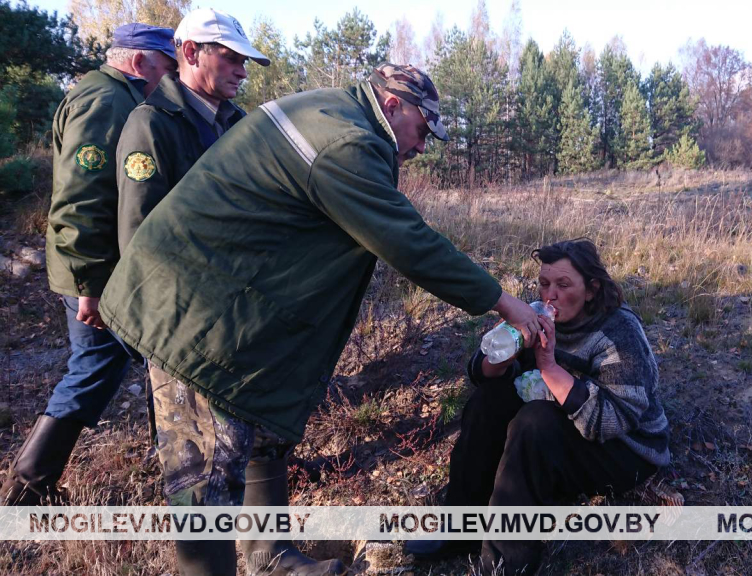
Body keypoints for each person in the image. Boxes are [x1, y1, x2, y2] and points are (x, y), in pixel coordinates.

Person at [97, 63, 542, 575]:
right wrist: (505, 301)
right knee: (206, 478)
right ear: (392, 105)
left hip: (231, 302)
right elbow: (407, 242)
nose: (423, 147)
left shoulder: (332, 110)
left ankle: (270, 555)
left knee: (259, 431)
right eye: (423, 131)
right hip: (196, 316)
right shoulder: (344, 142)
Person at [408, 239, 671, 575]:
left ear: (591, 290)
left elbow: (610, 421)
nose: (551, 295)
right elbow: (479, 373)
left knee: (535, 423)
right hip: (565, 430)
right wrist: (506, 352)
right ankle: (461, 527)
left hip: (627, 450)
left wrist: (548, 364)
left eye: (563, 285)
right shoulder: (537, 312)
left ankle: (506, 565)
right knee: (487, 401)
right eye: (544, 283)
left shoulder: (619, 331)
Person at [0, 24, 177, 507]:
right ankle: (28, 488)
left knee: (104, 364)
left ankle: (31, 484)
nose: (169, 79)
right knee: (106, 364)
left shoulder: (108, 94)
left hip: (98, 268)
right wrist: (90, 284)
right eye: (165, 67)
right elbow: (82, 201)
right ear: (140, 63)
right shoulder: (107, 102)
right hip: (95, 272)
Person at [116, 8, 259, 252]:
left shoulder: (238, 122)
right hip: (181, 284)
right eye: (231, 58)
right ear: (191, 52)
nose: (242, 72)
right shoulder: (151, 124)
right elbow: (138, 237)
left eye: (243, 62)